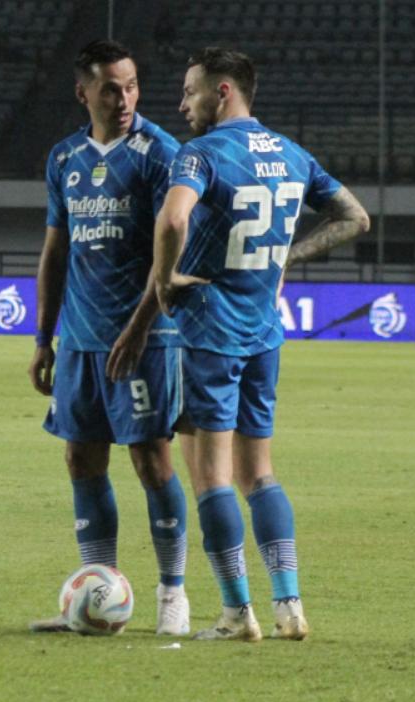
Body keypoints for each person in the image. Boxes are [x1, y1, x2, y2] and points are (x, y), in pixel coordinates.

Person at [152, 47, 370, 641]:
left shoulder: (201, 154)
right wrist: (287, 258)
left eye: (191, 91)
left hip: (211, 331)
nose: (182, 103)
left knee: (211, 478)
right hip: (264, 332)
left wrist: (167, 280)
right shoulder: (292, 154)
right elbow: (356, 218)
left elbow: (173, 221)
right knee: (261, 474)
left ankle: (235, 612)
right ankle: (289, 605)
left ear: (223, 91)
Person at [27, 40, 191, 636]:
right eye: (109, 88)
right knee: (80, 459)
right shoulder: (64, 157)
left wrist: (141, 325)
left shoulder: (159, 153)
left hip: (145, 337)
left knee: (150, 461)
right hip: (81, 340)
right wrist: (44, 338)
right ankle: (100, 592)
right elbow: (55, 251)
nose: (123, 98)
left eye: (130, 86)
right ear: (83, 93)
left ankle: (172, 592)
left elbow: (169, 253)